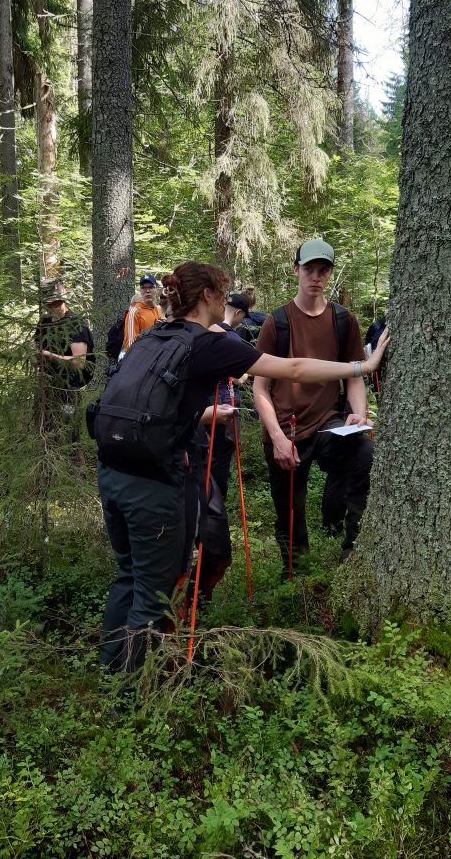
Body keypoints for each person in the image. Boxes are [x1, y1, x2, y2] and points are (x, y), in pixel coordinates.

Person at [96, 260, 387, 672]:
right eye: (224, 291)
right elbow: (294, 368)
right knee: (152, 590)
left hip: (112, 472)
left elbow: (148, 407)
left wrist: (201, 415)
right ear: (209, 297)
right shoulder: (210, 342)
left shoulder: (153, 335)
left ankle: (109, 673)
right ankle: (131, 693)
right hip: (154, 483)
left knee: (127, 575)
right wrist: (363, 367)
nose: (231, 301)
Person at [254, 239, 376, 571]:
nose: (316, 277)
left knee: (363, 455)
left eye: (323, 270)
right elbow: (261, 388)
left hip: (327, 422)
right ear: (296, 270)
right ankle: (297, 576)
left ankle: (352, 549)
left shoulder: (343, 320)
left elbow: (353, 376)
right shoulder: (277, 322)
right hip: (284, 431)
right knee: (289, 512)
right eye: (309, 269)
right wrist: (278, 438)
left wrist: (359, 413)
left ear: (330, 274)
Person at [34, 278, 95, 455]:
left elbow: (78, 362)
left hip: (69, 389)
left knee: (70, 430)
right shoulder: (44, 323)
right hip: (46, 386)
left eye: (58, 300)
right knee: (46, 429)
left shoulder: (75, 324)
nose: (55, 304)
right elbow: (36, 346)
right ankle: (49, 468)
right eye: (51, 301)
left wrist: (49, 356)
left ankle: (76, 470)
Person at [208, 291, 250, 498]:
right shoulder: (233, 339)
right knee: (221, 455)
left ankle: (202, 497)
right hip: (225, 400)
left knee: (203, 452)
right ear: (239, 313)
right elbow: (239, 377)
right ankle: (216, 502)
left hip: (202, 402)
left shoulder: (205, 332)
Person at [121, 274, 161, 354]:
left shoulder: (159, 310)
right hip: (142, 358)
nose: (147, 291)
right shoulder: (135, 312)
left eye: (151, 287)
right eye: (144, 288)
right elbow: (130, 344)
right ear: (140, 291)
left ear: (156, 289)